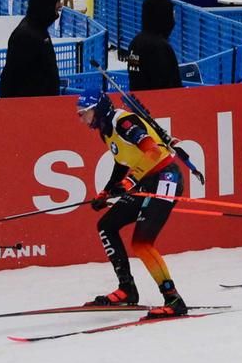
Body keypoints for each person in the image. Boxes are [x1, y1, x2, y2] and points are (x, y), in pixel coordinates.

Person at [77, 89, 188, 315]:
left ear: (97, 109)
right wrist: (106, 192)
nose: (82, 119)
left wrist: (130, 181)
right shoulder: (106, 131)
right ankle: (127, 289)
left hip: (166, 176)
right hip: (146, 181)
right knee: (106, 225)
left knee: (141, 243)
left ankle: (174, 300)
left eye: (84, 113)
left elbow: (153, 151)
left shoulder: (123, 122)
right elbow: (121, 163)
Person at [0, 0, 63, 98]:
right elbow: (11, 78)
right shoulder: (25, 35)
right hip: (30, 109)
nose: (60, 5)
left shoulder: (40, 29)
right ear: (46, 4)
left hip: (43, 106)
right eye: (57, 1)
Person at [127, 0, 182, 92]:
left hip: (139, 102)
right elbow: (166, 85)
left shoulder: (135, 42)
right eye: (172, 15)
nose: (174, 20)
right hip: (160, 104)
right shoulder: (159, 47)